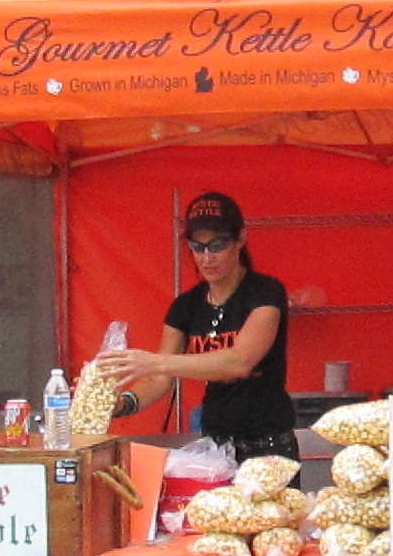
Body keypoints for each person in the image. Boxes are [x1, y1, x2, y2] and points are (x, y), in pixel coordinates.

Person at [96, 191, 299, 465]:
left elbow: (239, 362)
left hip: (269, 447)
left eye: (217, 246)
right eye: (197, 247)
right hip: (215, 447)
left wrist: (154, 362)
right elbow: (159, 379)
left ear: (240, 239)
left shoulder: (265, 293)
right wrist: (124, 403)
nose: (206, 258)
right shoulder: (186, 305)